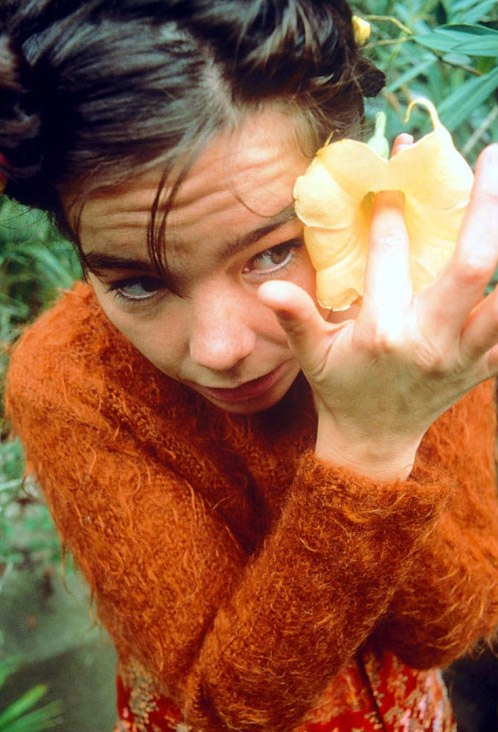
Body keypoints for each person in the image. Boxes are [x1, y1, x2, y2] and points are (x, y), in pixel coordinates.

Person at [1, 1, 498, 730]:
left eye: (274, 251)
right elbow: (225, 705)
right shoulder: (73, 384)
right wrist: (367, 450)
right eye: (137, 283)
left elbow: (445, 630)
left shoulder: (418, 310)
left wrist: (388, 428)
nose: (219, 349)